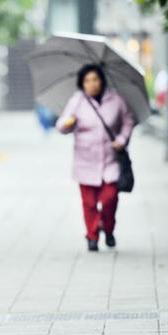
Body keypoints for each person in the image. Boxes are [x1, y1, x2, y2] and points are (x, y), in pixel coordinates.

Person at [56, 64, 134, 251]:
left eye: (95, 79)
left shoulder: (116, 99)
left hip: (110, 160)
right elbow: (61, 125)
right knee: (89, 203)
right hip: (85, 160)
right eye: (87, 81)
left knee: (110, 199)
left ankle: (107, 229)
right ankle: (91, 236)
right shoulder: (77, 101)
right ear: (82, 83)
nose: (92, 84)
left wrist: (122, 139)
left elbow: (128, 120)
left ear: (102, 80)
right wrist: (68, 123)